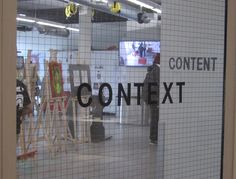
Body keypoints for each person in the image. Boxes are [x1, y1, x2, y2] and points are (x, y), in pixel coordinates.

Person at [142, 53, 160, 145]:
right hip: (155, 99)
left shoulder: (152, 69)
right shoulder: (157, 71)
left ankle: (154, 138)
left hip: (151, 98)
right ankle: (153, 138)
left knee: (154, 118)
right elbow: (157, 87)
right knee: (155, 118)